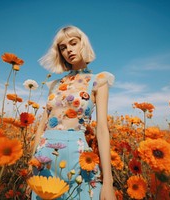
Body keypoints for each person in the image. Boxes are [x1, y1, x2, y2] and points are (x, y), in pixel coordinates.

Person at [30, 25, 117, 200]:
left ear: (82, 44)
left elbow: (102, 130)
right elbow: (41, 127)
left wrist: (108, 183)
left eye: (73, 43)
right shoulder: (54, 85)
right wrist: (30, 166)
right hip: (43, 158)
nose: (69, 50)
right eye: (63, 47)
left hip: (77, 158)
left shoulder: (98, 81)